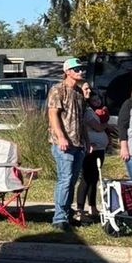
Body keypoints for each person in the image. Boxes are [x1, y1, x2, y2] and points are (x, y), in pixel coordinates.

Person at [47, 58, 89, 230]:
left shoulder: (79, 92)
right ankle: (59, 218)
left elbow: (82, 119)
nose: (80, 71)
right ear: (67, 72)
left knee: (71, 181)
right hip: (63, 144)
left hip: (78, 143)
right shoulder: (58, 89)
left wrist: (87, 141)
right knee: (65, 179)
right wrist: (61, 137)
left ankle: (66, 213)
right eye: (76, 69)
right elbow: (53, 114)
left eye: (81, 69)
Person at [78, 81, 111, 223]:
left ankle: (92, 206)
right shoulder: (87, 111)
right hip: (90, 148)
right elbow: (98, 127)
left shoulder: (97, 110)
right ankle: (80, 209)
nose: (96, 101)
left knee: (94, 178)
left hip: (100, 149)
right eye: (93, 100)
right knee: (86, 178)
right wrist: (107, 126)